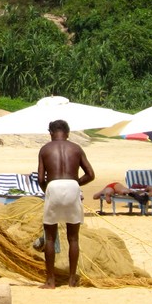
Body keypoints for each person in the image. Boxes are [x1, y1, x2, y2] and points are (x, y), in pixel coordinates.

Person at [35, 119, 94, 289]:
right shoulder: (76, 148)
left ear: (51, 133)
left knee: (50, 238)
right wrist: (75, 182)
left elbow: (40, 179)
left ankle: (50, 280)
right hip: (72, 186)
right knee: (73, 238)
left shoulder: (45, 149)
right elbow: (90, 174)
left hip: (53, 187)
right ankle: (72, 279)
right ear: (68, 133)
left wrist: (49, 189)